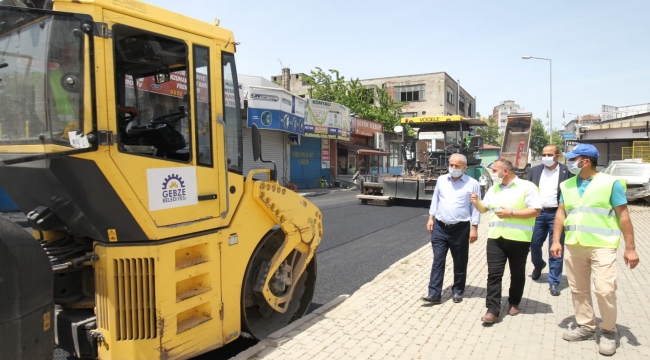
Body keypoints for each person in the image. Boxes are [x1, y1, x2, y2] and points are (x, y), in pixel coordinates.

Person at [550, 143, 639, 356]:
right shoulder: (567, 185)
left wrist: (631, 248)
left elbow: (623, 216)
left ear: (585, 161)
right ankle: (586, 326)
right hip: (574, 244)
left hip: (602, 245)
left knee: (605, 289)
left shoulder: (611, 184)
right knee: (578, 289)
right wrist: (555, 241)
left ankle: (608, 330)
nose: (570, 162)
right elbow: (561, 214)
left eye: (573, 159)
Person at [470, 158, 541, 323]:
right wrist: (476, 202)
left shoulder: (527, 187)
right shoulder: (494, 189)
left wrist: (511, 213)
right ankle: (492, 310)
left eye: (494, 171)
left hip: (519, 238)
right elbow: (484, 209)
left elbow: (535, 211)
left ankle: (514, 302)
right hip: (496, 238)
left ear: (505, 171)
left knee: (517, 273)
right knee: (493, 275)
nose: (492, 174)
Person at [423, 154, 480, 305]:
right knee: (438, 260)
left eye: (457, 166)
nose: (453, 168)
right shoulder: (442, 180)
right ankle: (434, 293)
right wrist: (431, 217)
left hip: (460, 229)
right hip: (440, 227)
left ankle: (458, 290)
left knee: (460, 261)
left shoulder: (472, 183)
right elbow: (435, 199)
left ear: (464, 167)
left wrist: (474, 227)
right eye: (451, 165)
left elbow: (475, 207)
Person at [528, 145, 573, 296]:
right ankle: (539, 264)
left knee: (556, 247)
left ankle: (554, 281)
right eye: (543, 154)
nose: (545, 157)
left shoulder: (567, 171)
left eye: (549, 154)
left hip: (557, 214)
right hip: (538, 214)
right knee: (534, 244)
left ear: (557, 156)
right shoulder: (535, 170)